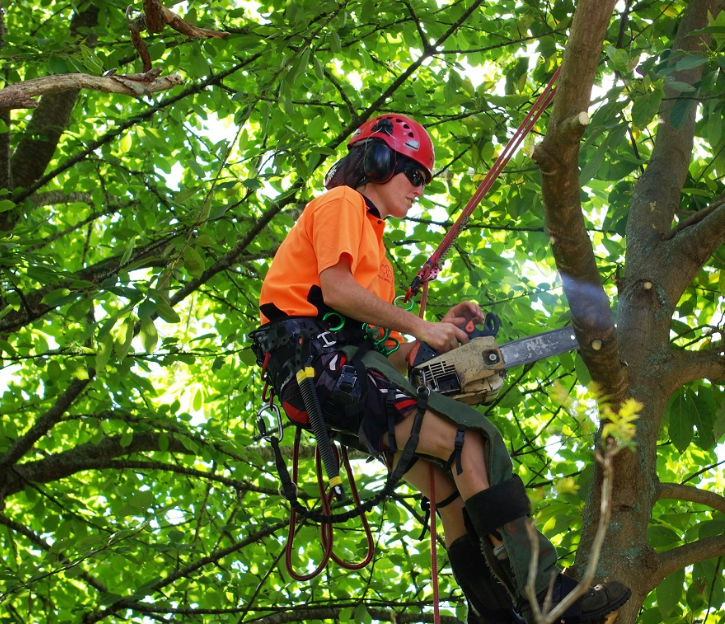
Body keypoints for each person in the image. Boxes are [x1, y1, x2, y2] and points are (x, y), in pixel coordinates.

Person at [252, 113, 630, 624]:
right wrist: (421, 326)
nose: (419, 191)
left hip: (338, 372)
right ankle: (548, 595)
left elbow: (381, 347)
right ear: (379, 163)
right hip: (319, 364)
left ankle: (494, 611)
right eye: (415, 176)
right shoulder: (342, 203)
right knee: (469, 439)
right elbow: (337, 289)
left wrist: (430, 340)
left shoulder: (374, 248)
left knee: (449, 486)